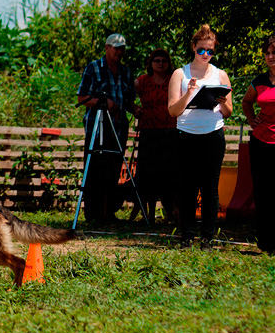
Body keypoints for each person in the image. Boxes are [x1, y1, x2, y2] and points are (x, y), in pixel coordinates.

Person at [167, 24, 233, 250]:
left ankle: (208, 238)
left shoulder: (220, 75)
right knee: (188, 187)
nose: (205, 55)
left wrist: (224, 103)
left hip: (213, 135)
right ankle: (186, 236)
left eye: (210, 51)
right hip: (186, 134)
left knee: (210, 188)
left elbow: (228, 112)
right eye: (201, 50)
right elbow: (173, 111)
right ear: (193, 47)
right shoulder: (180, 74)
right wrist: (189, 93)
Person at [77, 33, 140, 225]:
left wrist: (136, 109)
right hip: (97, 129)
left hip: (118, 129)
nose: (119, 51)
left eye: (122, 48)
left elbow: (128, 100)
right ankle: (92, 214)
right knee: (94, 169)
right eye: (115, 47)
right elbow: (82, 99)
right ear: (107, 48)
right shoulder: (93, 68)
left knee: (113, 170)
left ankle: (108, 212)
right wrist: (104, 102)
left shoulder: (126, 72)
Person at [133, 49, 177, 222]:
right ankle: (146, 214)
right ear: (151, 63)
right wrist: (134, 108)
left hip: (170, 130)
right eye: (157, 60)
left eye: (164, 60)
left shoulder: (174, 80)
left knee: (169, 174)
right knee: (147, 174)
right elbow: (126, 97)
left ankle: (170, 212)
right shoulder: (142, 81)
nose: (160, 63)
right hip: (148, 131)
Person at [241, 35, 275, 253]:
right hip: (261, 142)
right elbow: (246, 102)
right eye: (267, 53)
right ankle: (265, 242)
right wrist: (252, 120)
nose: (270, 57)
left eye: (274, 53)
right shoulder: (259, 81)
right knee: (263, 193)